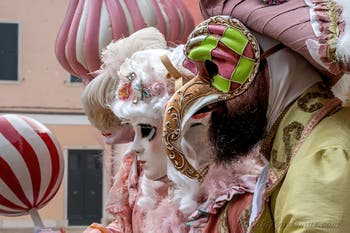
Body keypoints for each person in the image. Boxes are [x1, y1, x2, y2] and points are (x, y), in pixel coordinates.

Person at [162, 15, 350, 232]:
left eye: (217, 70)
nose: (212, 106)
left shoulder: (325, 160)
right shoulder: (296, 150)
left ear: (276, 66)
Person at [82, 27, 195, 232]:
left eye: (144, 130)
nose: (134, 147)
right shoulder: (141, 168)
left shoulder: (205, 197)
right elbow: (131, 223)